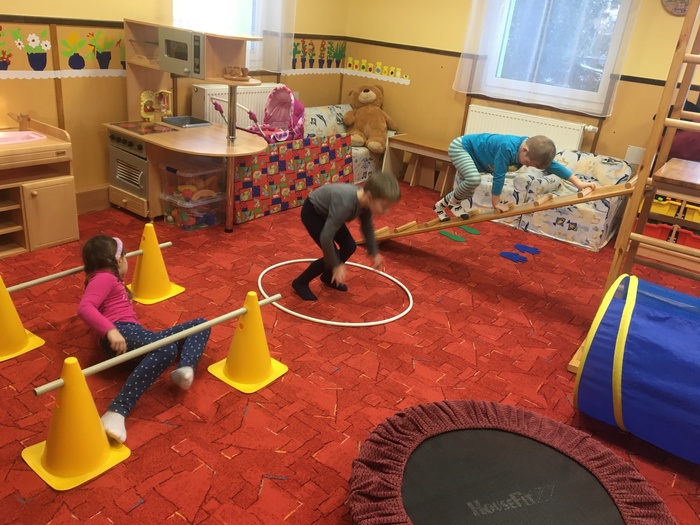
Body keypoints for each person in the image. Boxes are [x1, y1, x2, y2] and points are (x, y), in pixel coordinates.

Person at [77, 235, 211, 444]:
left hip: (131, 336)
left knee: (201, 324)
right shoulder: (104, 277)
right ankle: (117, 410)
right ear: (119, 260)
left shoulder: (107, 279)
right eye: (126, 257)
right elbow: (85, 308)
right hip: (122, 333)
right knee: (166, 349)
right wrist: (111, 331)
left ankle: (185, 368)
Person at [433, 134, 597, 220]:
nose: (528, 166)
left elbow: (555, 167)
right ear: (525, 150)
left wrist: (579, 183)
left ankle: (440, 206)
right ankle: (453, 204)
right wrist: (496, 203)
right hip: (462, 147)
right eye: (528, 163)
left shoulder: (530, 151)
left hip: (477, 157)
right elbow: (499, 176)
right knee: (474, 179)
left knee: (468, 189)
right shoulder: (507, 148)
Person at [292, 172, 401, 301]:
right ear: (370, 196)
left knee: (349, 246)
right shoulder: (346, 204)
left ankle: (328, 277)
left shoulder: (366, 202)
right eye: (384, 207)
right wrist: (336, 264)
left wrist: (374, 252)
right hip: (313, 213)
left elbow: (367, 227)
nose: (386, 212)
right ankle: (300, 282)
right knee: (332, 255)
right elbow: (326, 237)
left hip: (330, 213)